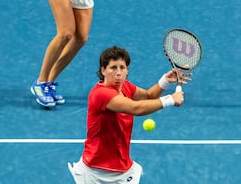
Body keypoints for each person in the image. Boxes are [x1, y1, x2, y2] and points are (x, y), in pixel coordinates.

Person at [68, 46, 192, 184]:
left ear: (127, 70)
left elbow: (148, 96)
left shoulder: (126, 86)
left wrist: (165, 81)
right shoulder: (100, 94)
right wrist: (170, 99)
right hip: (95, 170)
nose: (118, 72)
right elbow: (136, 108)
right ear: (103, 70)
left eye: (122, 67)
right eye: (113, 68)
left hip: (122, 168)